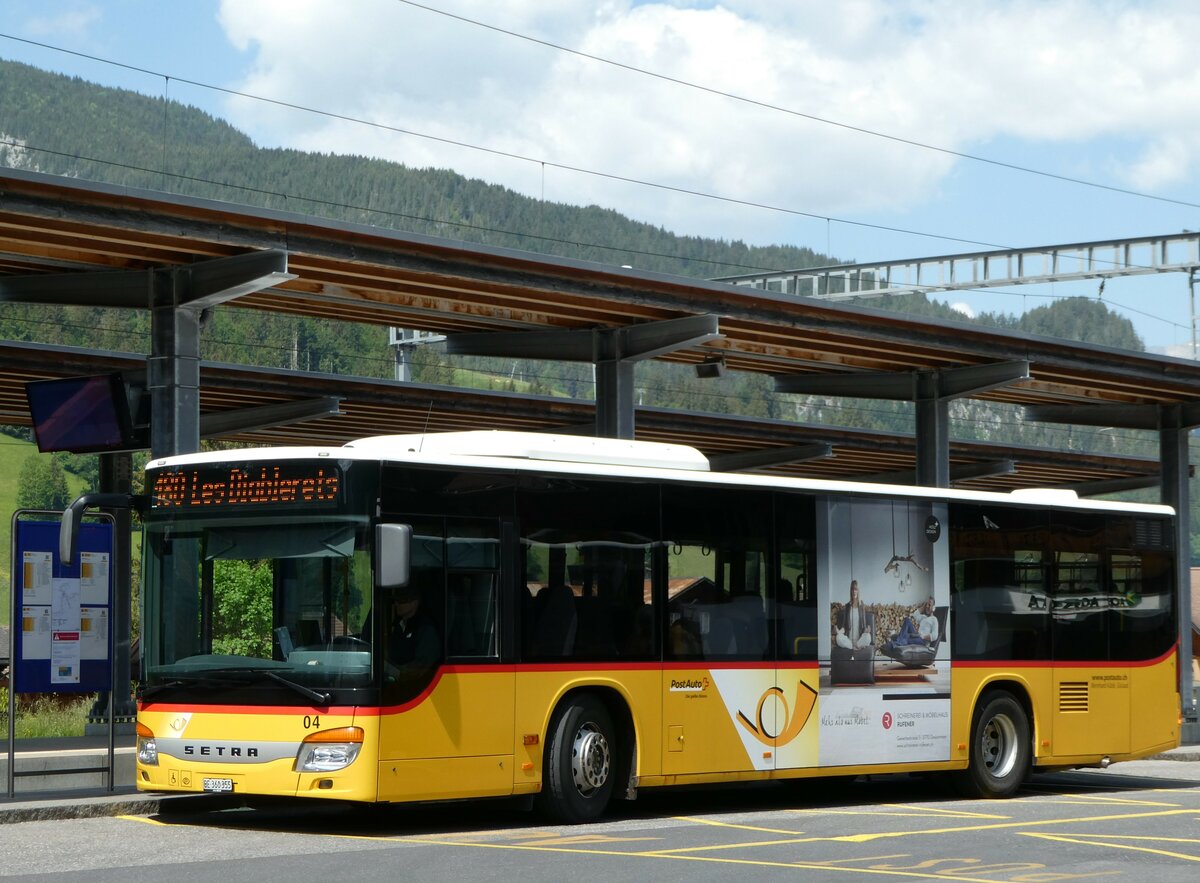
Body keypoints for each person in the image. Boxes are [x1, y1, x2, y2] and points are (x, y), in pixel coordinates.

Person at [384, 583, 440, 675]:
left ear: (414, 603)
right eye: (395, 601)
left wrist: (399, 672)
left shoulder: (425, 629)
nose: (396, 604)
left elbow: (421, 666)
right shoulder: (399, 626)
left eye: (401, 601)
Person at [834, 580, 873, 650]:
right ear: (850, 591)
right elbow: (844, 627)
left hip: (859, 640)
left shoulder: (862, 606)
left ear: (858, 591)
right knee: (838, 638)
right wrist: (839, 632)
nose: (854, 591)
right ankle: (853, 647)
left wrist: (867, 630)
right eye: (852, 589)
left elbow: (863, 627)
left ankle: (856, 645)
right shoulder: (847, 606)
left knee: (868, 637)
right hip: (848, 640)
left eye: (856, 589)